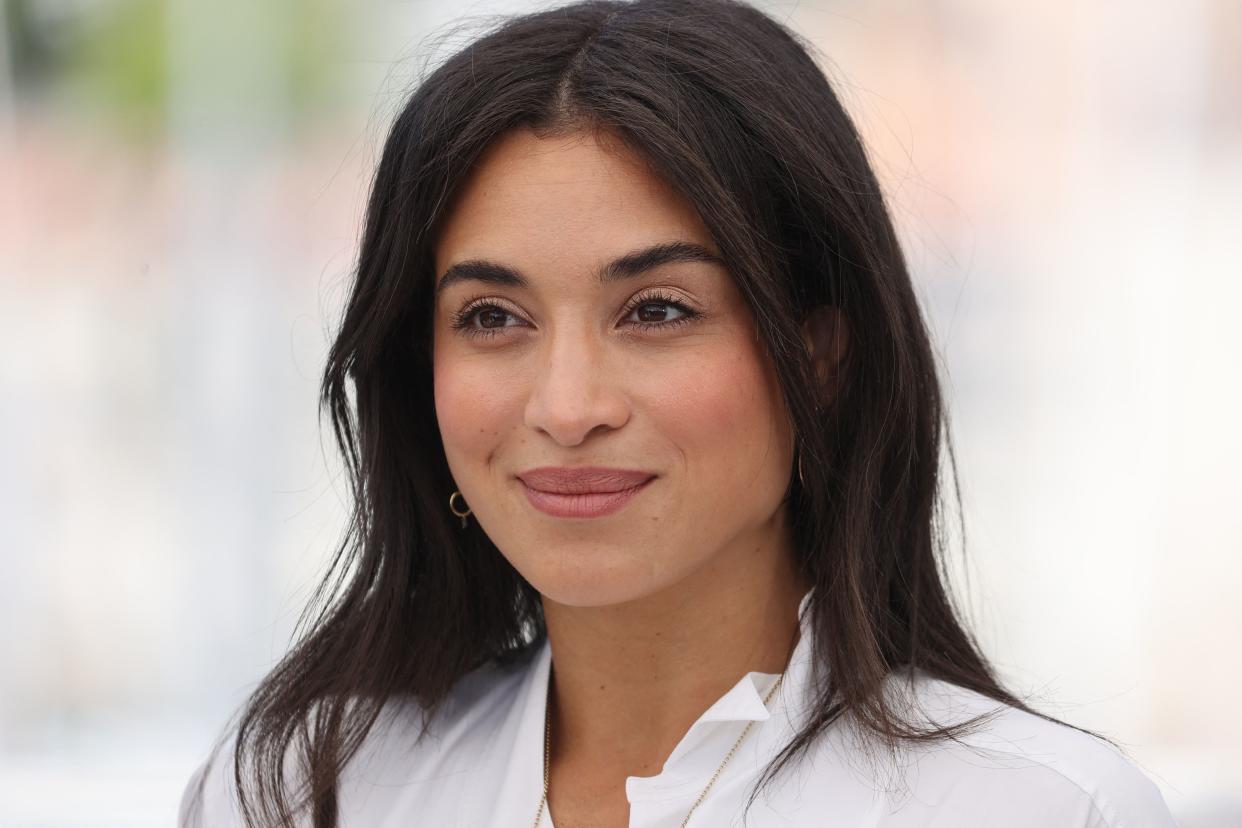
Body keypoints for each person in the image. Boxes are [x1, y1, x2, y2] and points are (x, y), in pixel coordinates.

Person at [179, 0, 1178, 825]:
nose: (568, 408)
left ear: (821, 354)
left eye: (657, 310)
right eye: (491, 316)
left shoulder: (1041, 810)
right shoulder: (300, 793)